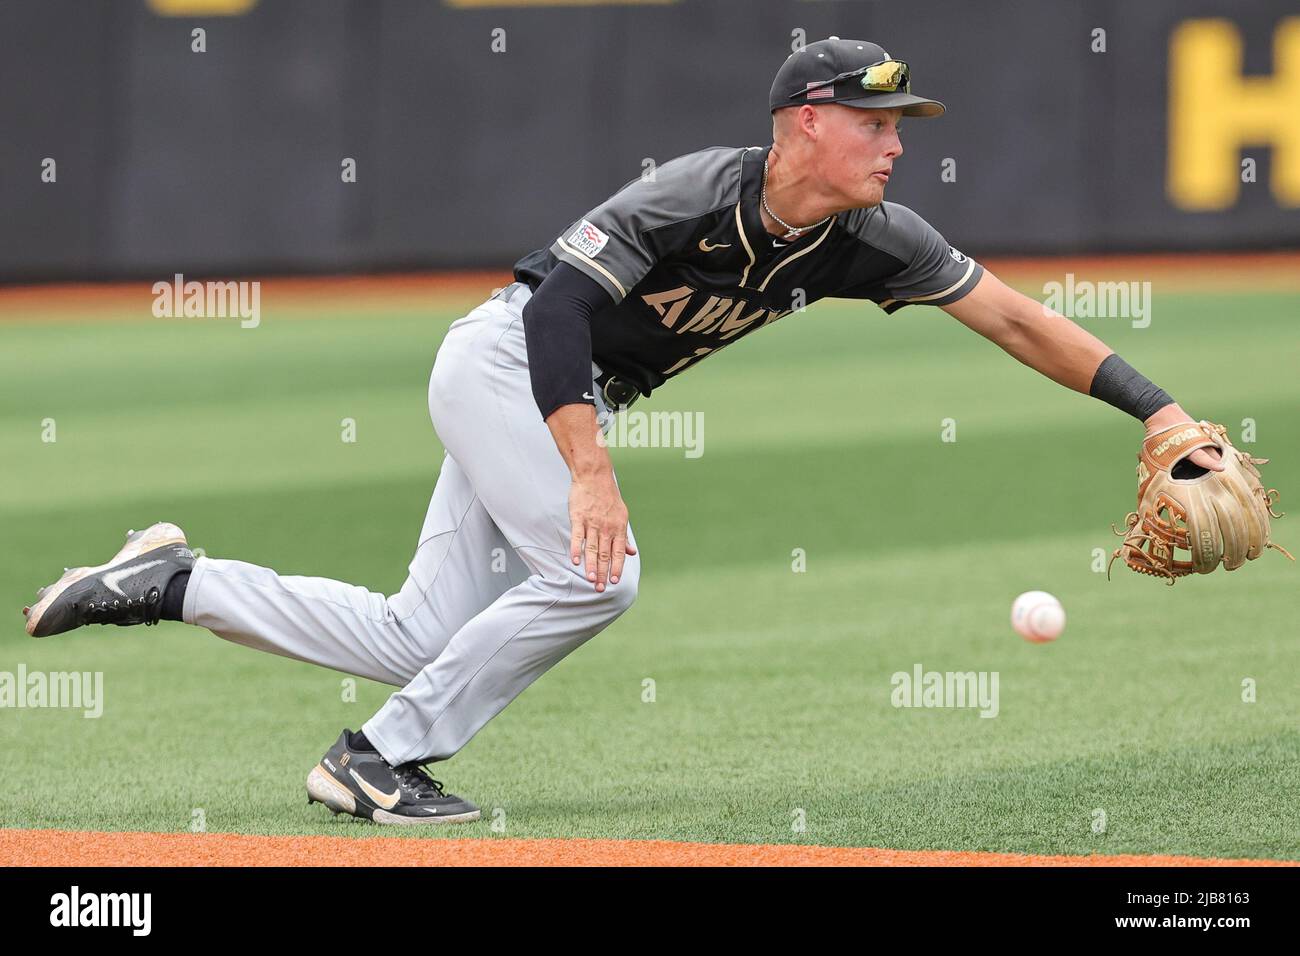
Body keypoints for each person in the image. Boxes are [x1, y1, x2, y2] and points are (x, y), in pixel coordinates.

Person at [21, 37, 1222, 825]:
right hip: (509, 360)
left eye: (899, 121)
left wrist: (1161, 410)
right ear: (804, 122)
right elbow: (556, 307)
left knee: (417, 631)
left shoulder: (875, 237)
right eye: (875, 121)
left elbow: (1014, 320)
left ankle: (175, 582)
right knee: (601, 569)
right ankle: (372, 758)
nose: (897, 140)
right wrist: (586, 467)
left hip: (557, 393)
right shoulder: (696, 189)